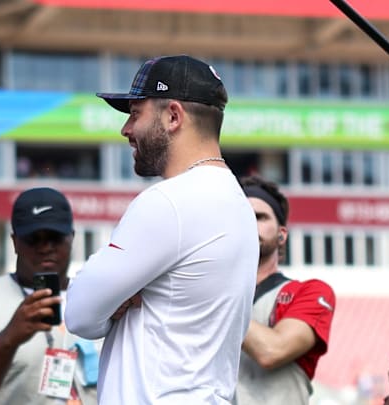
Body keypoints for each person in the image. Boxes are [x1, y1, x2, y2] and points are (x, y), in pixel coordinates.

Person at [64, 55, 259, 404]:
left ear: (173, 116)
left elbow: (79, 314)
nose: (126, 129)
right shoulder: (237, 202)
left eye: (135, 113)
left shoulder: (170, 201)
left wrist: (112, 301)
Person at [0, 187, 99, 405]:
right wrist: (9, 339)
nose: (45, 248)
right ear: (15, 242)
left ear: (71, 238)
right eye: (33, 238)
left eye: (55, 237)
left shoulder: (98, 301)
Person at [234, 175, 335, 404]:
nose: (249, 222)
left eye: (259, 217)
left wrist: (209, 296)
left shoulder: (310, 292)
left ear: (282, 234)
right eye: (240, 216)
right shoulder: (206, 291)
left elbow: (272, 351)